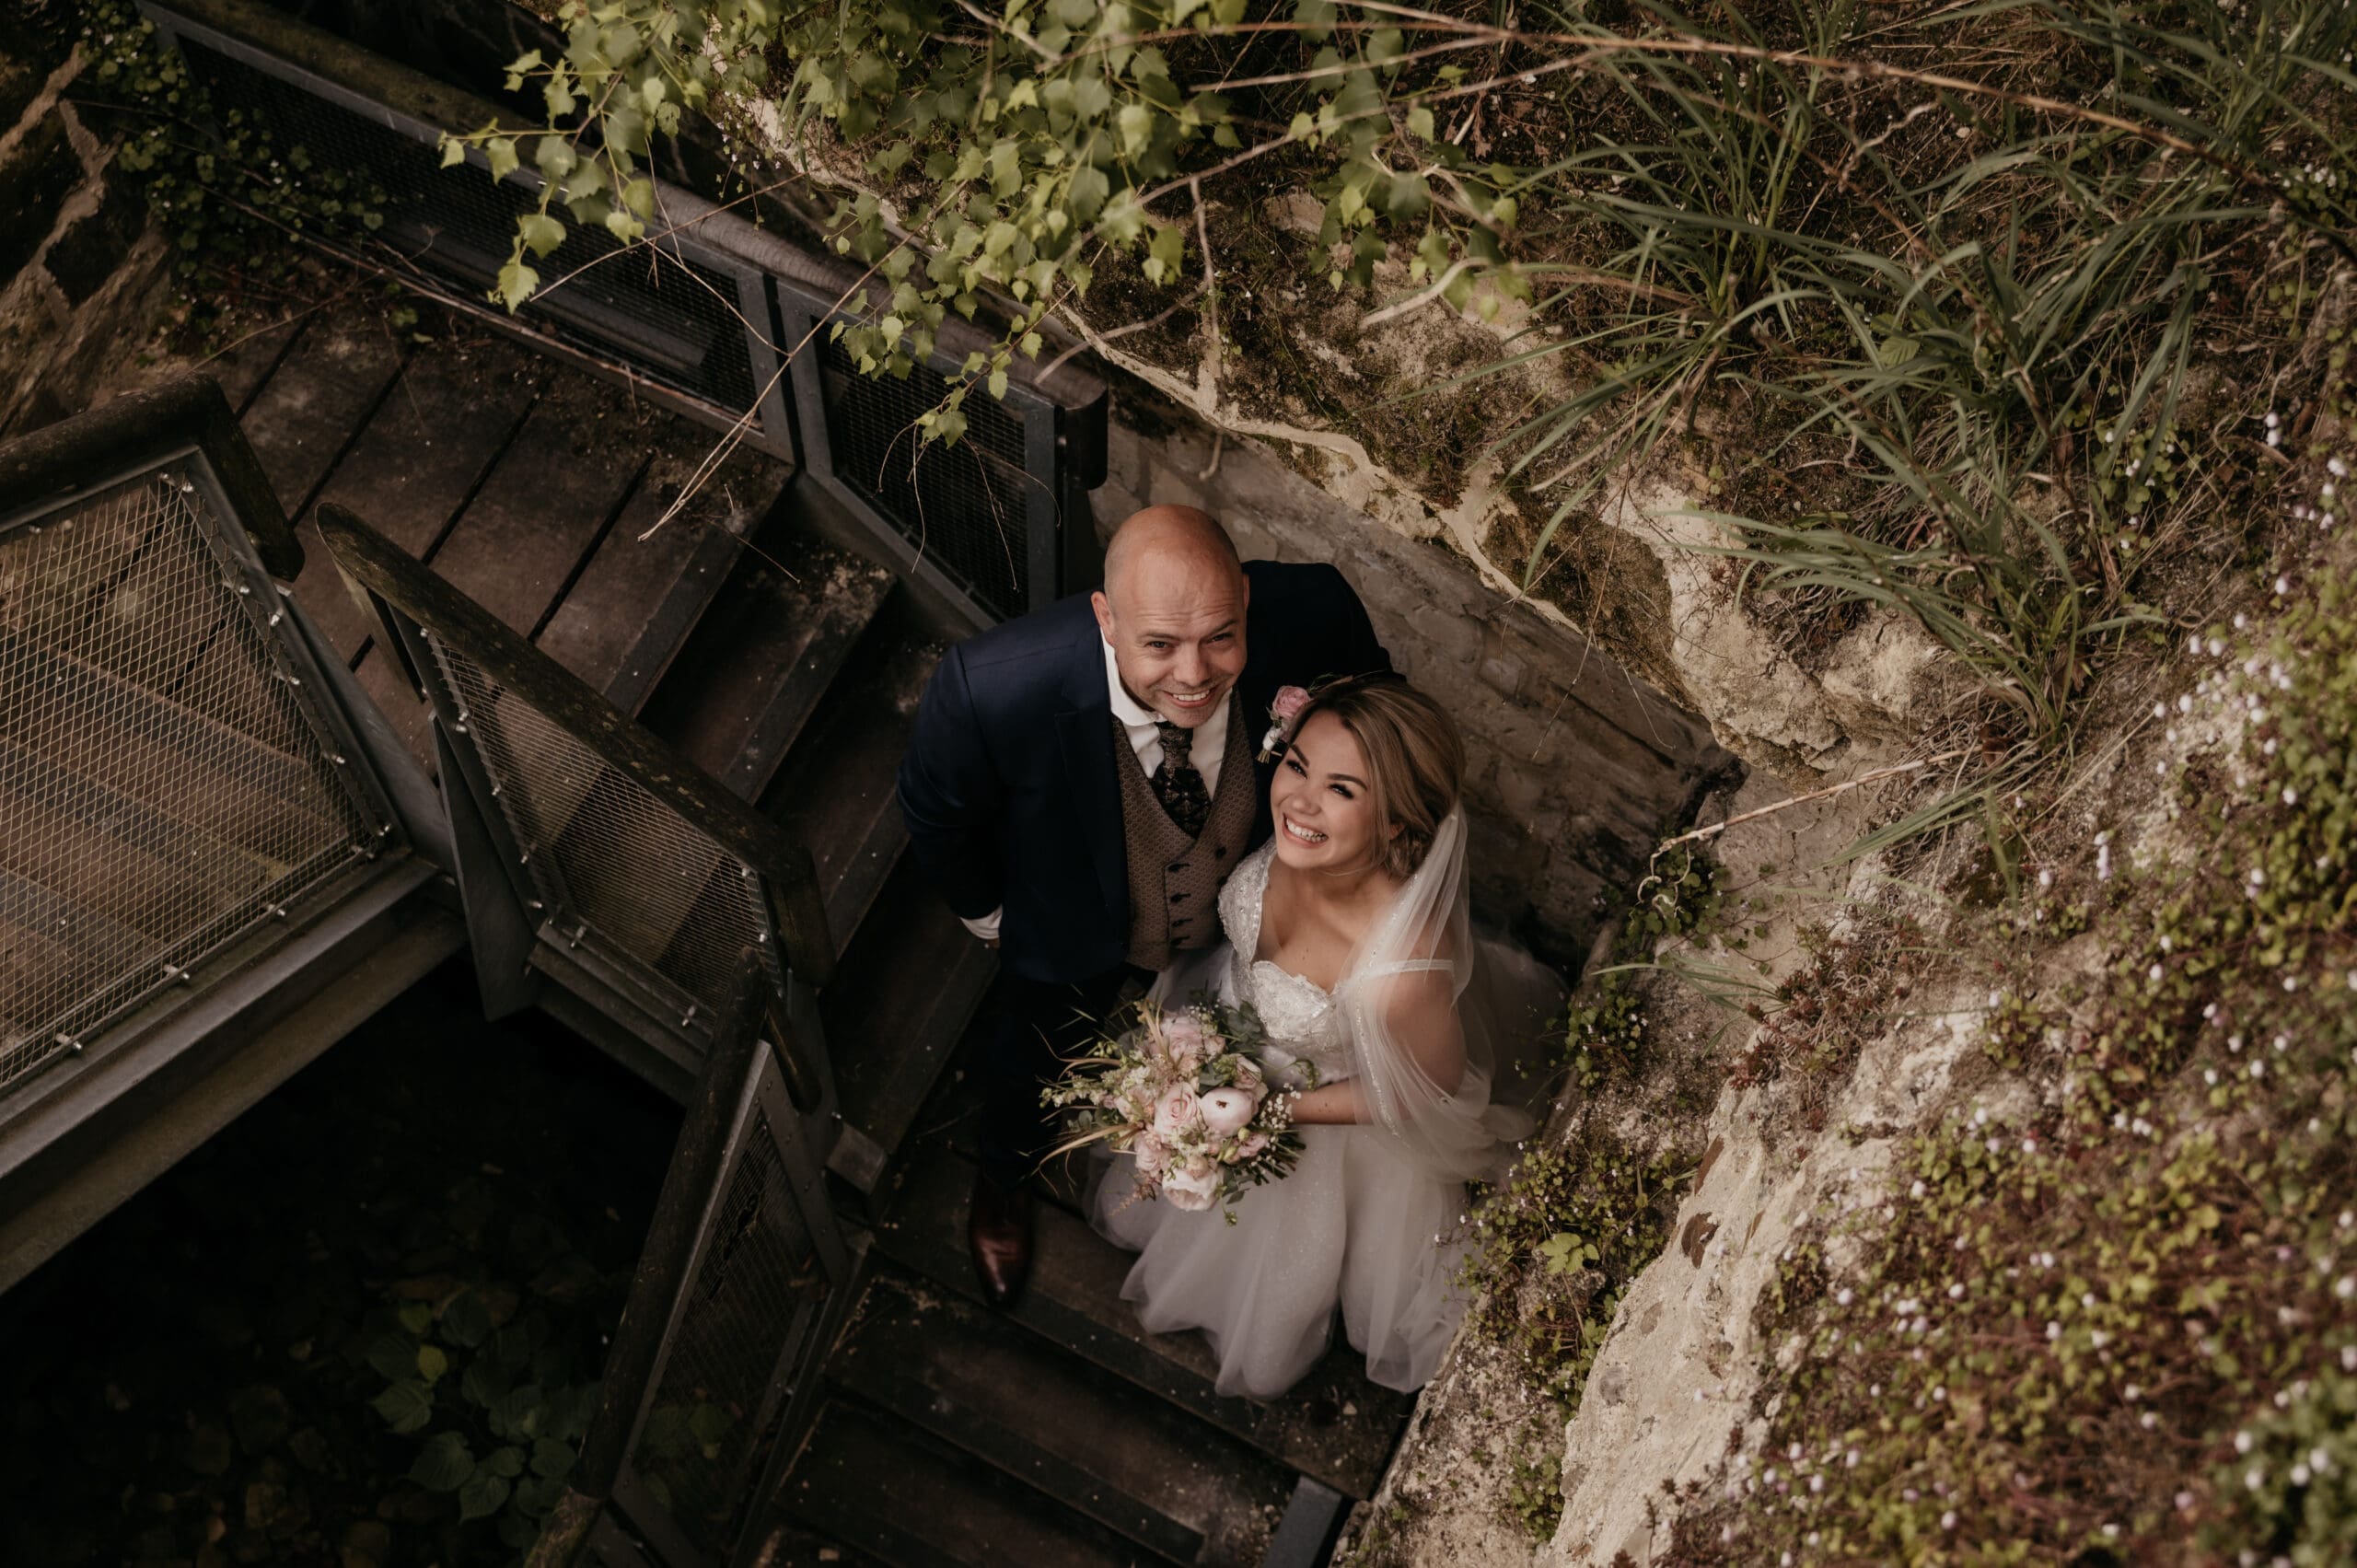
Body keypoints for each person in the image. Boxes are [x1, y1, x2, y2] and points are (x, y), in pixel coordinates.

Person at [896, 505, 1389, 1307]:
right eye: (1159, 644)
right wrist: (992, 919)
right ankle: (1002, 1180)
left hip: (1254, 913)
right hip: (1075, 923)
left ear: (1246, 599)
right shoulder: (991, 688)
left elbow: (1379, 713)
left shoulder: (1316, 612)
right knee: (1032, 1055)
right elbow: (934, 811)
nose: (1193, 674)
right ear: (1106, 618)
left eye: (1221, 637)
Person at [1092, 674, 1563, 1398]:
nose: (1299, 802)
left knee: (1284, 1253)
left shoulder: (1399, 973)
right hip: (1228, 1028)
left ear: (1399, 825)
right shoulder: (1296, 838)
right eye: (1298, 764)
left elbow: (1428, 1088)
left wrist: (1272, 1109)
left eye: (1342, 790)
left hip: (1328, 1115)